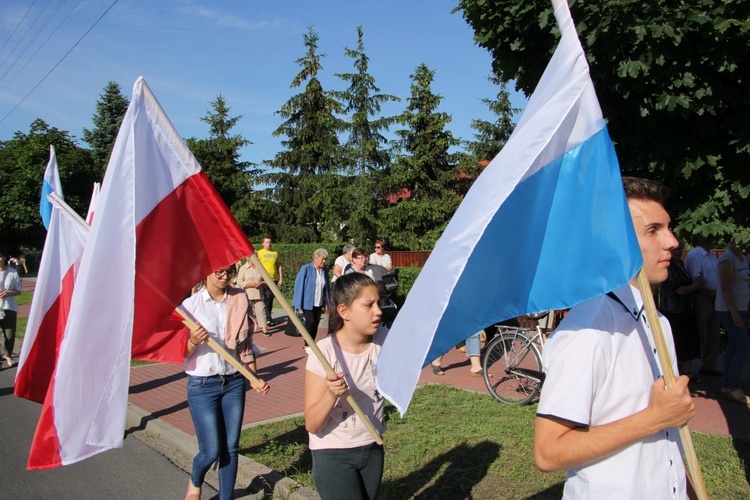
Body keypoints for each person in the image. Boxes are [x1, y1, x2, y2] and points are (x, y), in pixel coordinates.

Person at [534, 177, 695, 498]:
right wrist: (652, 419)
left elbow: (667, 436)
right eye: (653, 230)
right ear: (613, 241)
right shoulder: (588, 331)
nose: (672, 241)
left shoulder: (659, 323)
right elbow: (548, 452)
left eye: (668, 227)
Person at [182, 266, 270, 500]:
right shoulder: (191, 306)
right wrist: (192, 340)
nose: (224, 277)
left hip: (234, 382)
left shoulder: (239, 299)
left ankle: (226, 497)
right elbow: (180, 354)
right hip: (202, 384)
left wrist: (254, 378)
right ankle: (195, 480)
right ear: (206, 272)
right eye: (219, 272)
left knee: (231, 447)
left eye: (228, 273)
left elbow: (245, 345)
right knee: (210, 450)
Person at [304, 273, 387, 500]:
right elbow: (312, 424)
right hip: (333, 453)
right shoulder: (323, 353)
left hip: (372, 446)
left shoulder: (385, 340)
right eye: (369, 305)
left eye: (378, 303)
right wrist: (331, 394)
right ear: (344, 311)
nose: (378, 311)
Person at [659, 239, 704, 378]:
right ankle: (675, 373)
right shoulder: (668, 267)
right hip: (673, 310)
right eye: (676, 250)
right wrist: (696, 286)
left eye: (681, 249)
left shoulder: (681, 264)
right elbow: (679, 289)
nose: (679, 252)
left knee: (689, 342)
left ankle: (687, 372)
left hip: (686, 309)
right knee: (677, 342)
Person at [715, 242, 750, 405]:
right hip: (729, 310)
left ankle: (727, 386)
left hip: (741, 308)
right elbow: (725, 288)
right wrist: (735, 315)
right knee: (743, 346)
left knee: (734, 346)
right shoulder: (727, 259)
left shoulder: (743, 258)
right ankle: (733, 386)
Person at [684, 239, 722, 377]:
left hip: (715, 297)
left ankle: (708, 367)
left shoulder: (712, 255)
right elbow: (697, 280)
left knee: (714, 334)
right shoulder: (695, 255)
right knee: (701, 332)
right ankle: (688, 369)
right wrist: (710, 294)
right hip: (703, 297)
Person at [293, 249, 331, 346]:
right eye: (322, 259)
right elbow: (299, 283)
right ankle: (307, 343)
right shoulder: (306, 268)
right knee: (311, 322)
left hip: (319, 301)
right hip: (307, 302)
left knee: (316, 323)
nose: (324, 262)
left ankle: (311, 342)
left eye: (325, 259)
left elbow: (326, 288)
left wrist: (326, 302)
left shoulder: (324, 272)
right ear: (315, 259)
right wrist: (298, 300)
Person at [0, 248, 22, 368]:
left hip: (8, 307)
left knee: (9, 334)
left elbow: (19, 290)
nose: (0, 259)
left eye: (1, 256)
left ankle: (8, 354)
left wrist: (9, 293)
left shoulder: (12, 272)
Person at [236, 258, 269, 336]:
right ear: (248, 258)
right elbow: (239, 281)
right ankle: (245, 329)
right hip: (248, 293)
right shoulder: (243, 268)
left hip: (259, 292)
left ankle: (264, 328)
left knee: (261, 311)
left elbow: (267, 279)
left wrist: (262, 283)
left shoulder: (260, 267)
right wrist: (250, 284)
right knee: (247, 312)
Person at [257, 236, 282, 328]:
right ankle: (266, 319)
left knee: (271, 298)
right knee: (265, 299)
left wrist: (280, 278)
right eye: (267, 242)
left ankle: (268, 318)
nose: (269, 244)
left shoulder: (275, 253)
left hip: (273, 279)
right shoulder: (259, 253)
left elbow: (279, 265)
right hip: (263, 279)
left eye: (270, 242)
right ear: (263, 243)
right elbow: (255, 265)